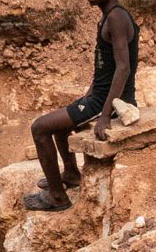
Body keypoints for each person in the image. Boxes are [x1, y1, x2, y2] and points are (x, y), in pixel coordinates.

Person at [24, 0, 139, 212]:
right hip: (99, 98)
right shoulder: (109, 16)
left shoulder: (116, 18)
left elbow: (123, 68)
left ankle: (57, 197)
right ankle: (71, 174)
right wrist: (85, 97)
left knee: (39, 128)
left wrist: (105, 116)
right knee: (59, 127)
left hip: (109, 102)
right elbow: (106, 68)